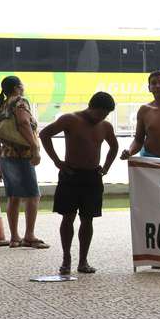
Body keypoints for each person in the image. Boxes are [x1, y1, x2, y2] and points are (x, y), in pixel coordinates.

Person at [39, 92, 119, 275]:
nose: (103, 117)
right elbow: (44, 134)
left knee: (88, 218)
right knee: (68, 217)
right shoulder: (70, 119)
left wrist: (106, 167)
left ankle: (83, 261)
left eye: (106, 114)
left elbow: (114, 146)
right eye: (101, 113)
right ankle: (66, 258)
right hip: (71, 174)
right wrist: (57, 161)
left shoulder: (105, 126)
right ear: (91, 107)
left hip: (92, 176)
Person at [0, 76, 47, 249]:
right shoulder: (20, 102)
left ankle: (14, 237)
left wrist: (0, 161)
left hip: (6, 156)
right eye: (22, 84)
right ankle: (29, 236)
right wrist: (35, 148)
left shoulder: (1, 106)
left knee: (14, 197)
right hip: (22, 155)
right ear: (17, 87)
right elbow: (23, 123)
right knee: (33, 196)